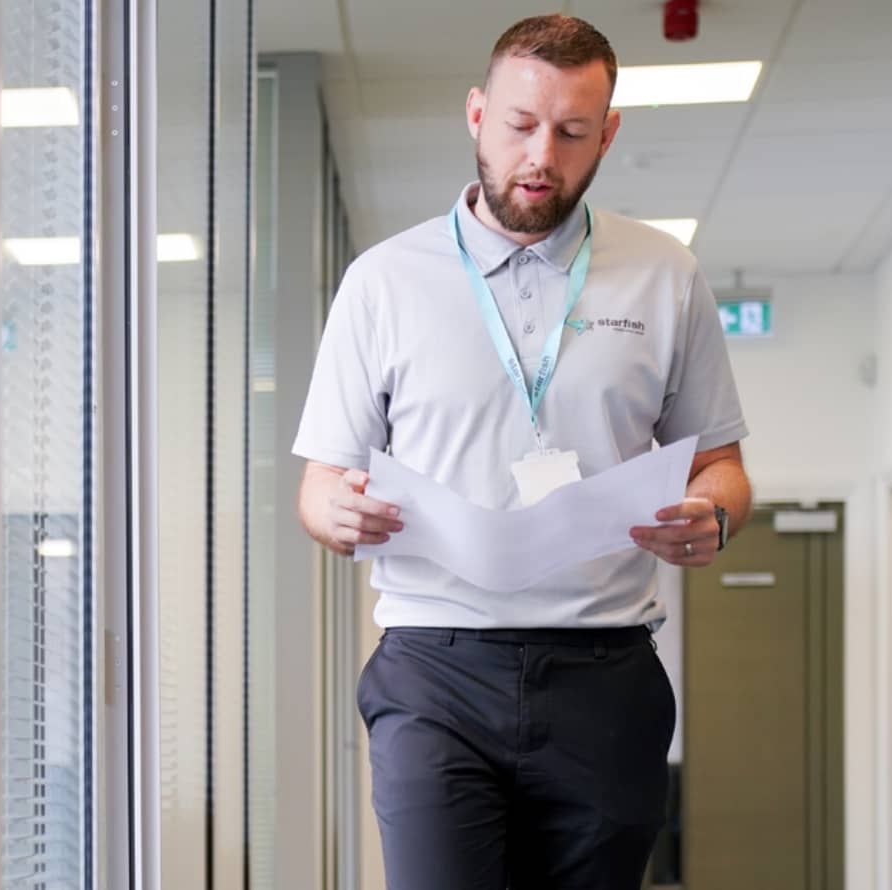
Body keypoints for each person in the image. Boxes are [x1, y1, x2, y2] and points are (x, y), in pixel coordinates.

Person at [290, 14, 752, 890]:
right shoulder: (383, 281)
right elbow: (318, 485)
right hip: (435, 670)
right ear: (475, 115)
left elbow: (722, 466)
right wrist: (336, 511)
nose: (541, 155)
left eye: (573, 132)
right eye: (519, 125)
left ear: (607, 134)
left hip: (604, 672)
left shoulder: (666, 274)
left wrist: (716, 514)